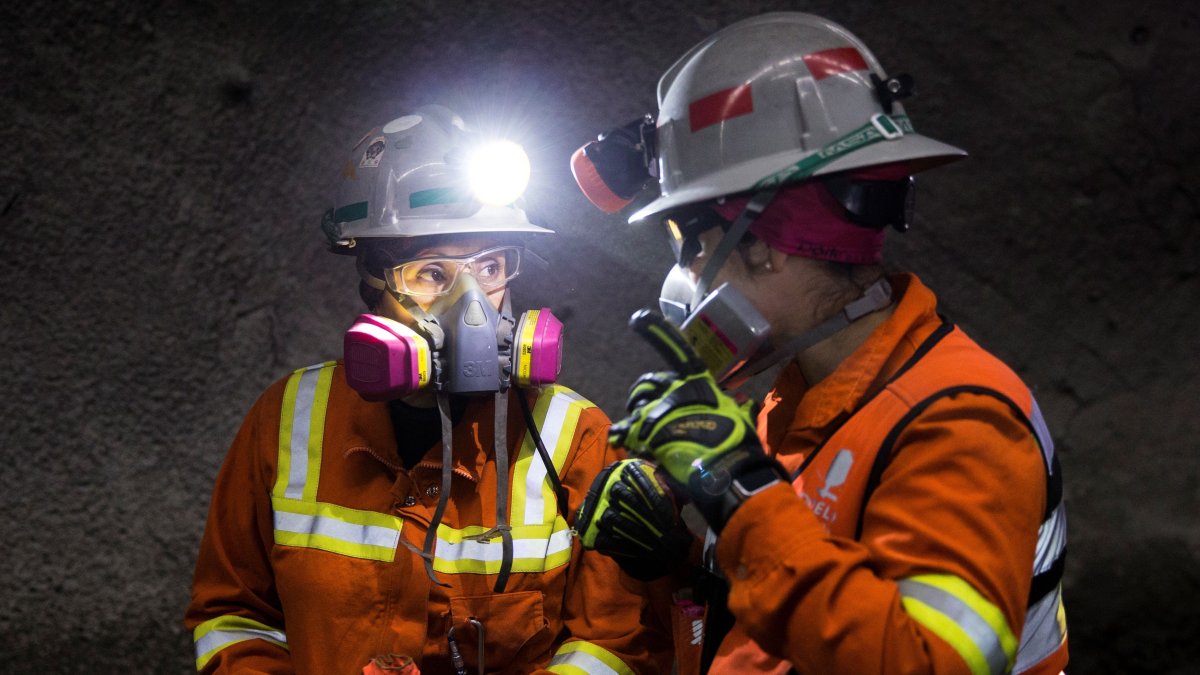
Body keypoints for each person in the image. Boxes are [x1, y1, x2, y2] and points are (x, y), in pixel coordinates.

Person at [570, 13, 1068, 675]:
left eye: (692, 243)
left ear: (760, 244)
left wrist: (741, 491)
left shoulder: (959, 417)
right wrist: (678, 560)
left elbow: (924, 663)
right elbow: (800, 618)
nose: (687, 272)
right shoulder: (797, 400)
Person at [186, 105, 670, 674]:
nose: (472, 302)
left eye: (490, 268)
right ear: (371, 282)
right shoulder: (287, 420)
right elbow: (234, 617)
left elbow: (613, 645)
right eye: (431, 274)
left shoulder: (576, 440)